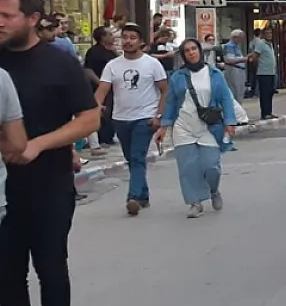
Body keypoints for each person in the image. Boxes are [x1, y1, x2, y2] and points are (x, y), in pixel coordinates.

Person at [0, 0, 100, 306]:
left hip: (49, 181)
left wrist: (39, 144)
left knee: (50, 266)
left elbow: (89, 118)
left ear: (32, 19)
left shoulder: (59, 63)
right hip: (4, 187)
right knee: (7, 271)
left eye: (6, 16)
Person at [155, 39, 238, 218]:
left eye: (194, 49)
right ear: (183, 55)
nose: (191, 53)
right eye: (187, 51)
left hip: (209, 127)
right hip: (183, 126)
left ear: (200, 51)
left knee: (211, 166)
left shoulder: (215, 74)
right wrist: (163, 127)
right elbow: (170, 103)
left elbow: (226, 99)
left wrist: (229, 122)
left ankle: (213, 189)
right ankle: (195, 202)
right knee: (188, 167)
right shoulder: (177, 77)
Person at [95, 24, 169, 215]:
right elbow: (102, 90)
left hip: (145, 118)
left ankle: (133, 197)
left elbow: (164, 90)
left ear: (141, 42)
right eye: (125, 37)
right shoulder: (113, 65)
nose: (128, 41)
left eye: (132, 38)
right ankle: (143, 195)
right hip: (120, 118)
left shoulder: (152, 64)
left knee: (136, 157)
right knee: (132, 158)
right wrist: (95, 108)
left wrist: (159, 115)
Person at [82, 27, 118, 152]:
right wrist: (100, 83)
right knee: (101, 110)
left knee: (111, 110)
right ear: (102, 37)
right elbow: (88, 70)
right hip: (99, 85)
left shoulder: (111, 51)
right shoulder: (94, 52)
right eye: (110, 34)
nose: (113, 37)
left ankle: (109, 136)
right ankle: (101, 137)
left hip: (113, 86)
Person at [250, 28, 278, 119]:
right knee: (265, 93)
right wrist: (258, 67)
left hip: (271, 72)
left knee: (270, 92)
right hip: (263, 72)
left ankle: (269, 112)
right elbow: (255, 56)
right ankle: (265, 113)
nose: (269, 35)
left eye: (270, 33)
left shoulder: (270, 44)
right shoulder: (260, 43)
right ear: (263, 34)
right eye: (267, 33)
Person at [222, 31, 249, 106]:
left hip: (240, 70)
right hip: (234, 69)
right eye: (240, 38)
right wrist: (243, 59)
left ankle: (239, 107)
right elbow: (229, 60)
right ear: (235, 37)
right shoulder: (229, 46)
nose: (241, 40)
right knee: (235, 91)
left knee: (240, 91)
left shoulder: (236, 46)